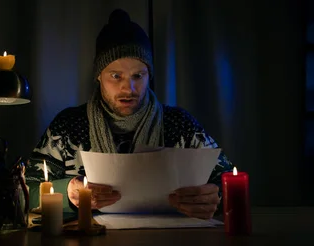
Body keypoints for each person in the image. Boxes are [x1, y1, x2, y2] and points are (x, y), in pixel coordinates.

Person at [24, 9, 234, 220]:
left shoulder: (180, 125)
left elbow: (232, 182)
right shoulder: (68, 127)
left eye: (138, 75)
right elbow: (26, 191)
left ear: (149, 75)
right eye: (116, 76)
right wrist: (67, 192)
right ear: (99, 76)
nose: (129, 88)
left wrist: (215, 196)